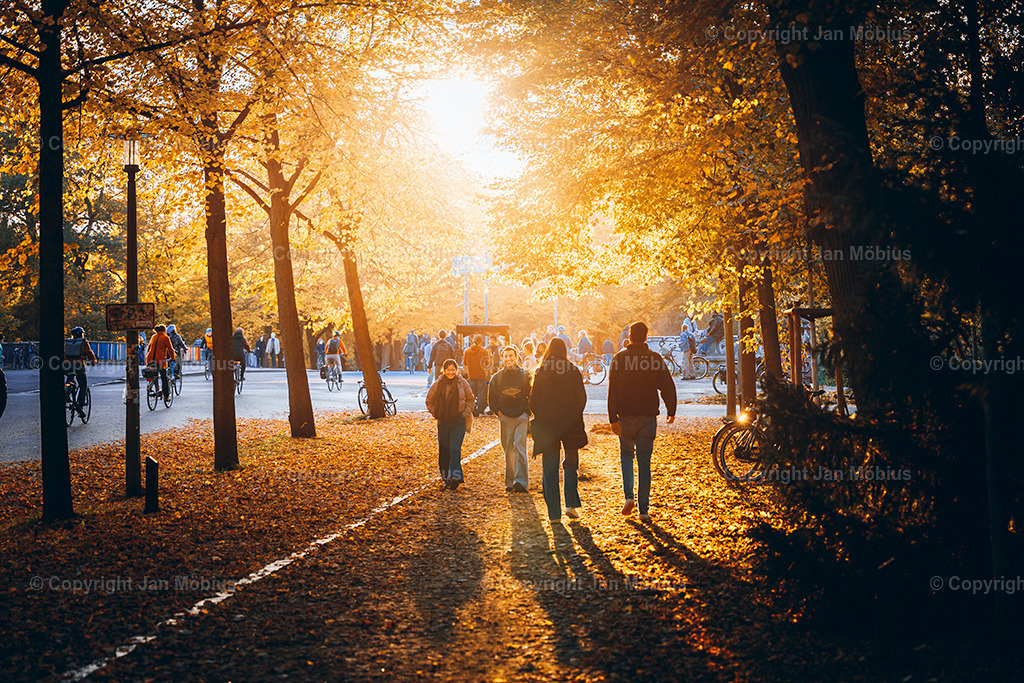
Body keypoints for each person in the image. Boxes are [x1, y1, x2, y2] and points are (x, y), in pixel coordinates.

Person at [608, 321, 677, 523]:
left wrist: (613, 418)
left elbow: (613, 391)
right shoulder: (654, 359)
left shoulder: (619, 359)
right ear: (646, 337)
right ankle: (644, 509)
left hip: (626, 417)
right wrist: (671, 409)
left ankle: (629, 497)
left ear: (629, 337)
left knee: (627, 456)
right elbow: (667, 385)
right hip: (647, 418)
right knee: (644, 462)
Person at [529, 338, 587, 522]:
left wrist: (542, 415)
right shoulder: (572, 370)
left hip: (548, 427)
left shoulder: (541, 371)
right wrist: (572, 416)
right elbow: (581, 398)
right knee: (570, 464)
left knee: (550, 467)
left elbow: (533, 401)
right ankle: (570, 504)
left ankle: (554, 513)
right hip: (571, 426)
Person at [425, 359, 475, 490]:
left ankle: (455, 477)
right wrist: (436, 414)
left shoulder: (462, 382)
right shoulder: (438, 383)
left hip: (458, 420)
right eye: (448, 370)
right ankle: (446, 477)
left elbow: (471, 399)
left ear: (456, 370)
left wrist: (465, 413)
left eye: (453, 370)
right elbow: (429, 401)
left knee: (455, 447)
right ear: (444, 370)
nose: (451, 372)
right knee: (444, 448)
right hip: (444, 420)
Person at [489, 346, 532, 493]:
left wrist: (527, 412)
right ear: (502, 358)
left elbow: (531, 395)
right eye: (505, 356)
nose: (508, 359)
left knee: (520, 448)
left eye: (511, 356)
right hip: (505, 417)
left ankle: (521, 482)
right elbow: (492, 399)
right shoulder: (497, 377)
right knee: (508, 449)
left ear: (516, 357)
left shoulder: (525, 375)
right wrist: (500, 414)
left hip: (521, 416)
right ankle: (510, 482)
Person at [64, 326, 98, 416]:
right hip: (78, 365)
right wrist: (93, 361)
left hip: (66, 365)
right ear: (81, 334)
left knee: (70, 377)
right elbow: (89, 353)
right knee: (83, 385)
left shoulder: (67, 342)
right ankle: (80, 405)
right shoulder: (83, 342)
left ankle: (67, 393)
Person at [146, 324, 176, 400]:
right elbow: (170, 349)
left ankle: (153, 386)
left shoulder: (153, 337)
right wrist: (173, 358)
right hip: (160, 361)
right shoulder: (166, 337)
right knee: (164, 378)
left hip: (150, 359)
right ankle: (166, 396)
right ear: (164, 330)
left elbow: (149, 347)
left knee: (153, 374)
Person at [463, 335, 491, 416]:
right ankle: (480, 410)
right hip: (481, 375)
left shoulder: (467, 351)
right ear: (481, 342)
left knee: (472, 393)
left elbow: (464, 363)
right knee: (481, 393)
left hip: (471, 375)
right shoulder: (484, 352)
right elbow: (487, 363)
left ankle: (473, 408)